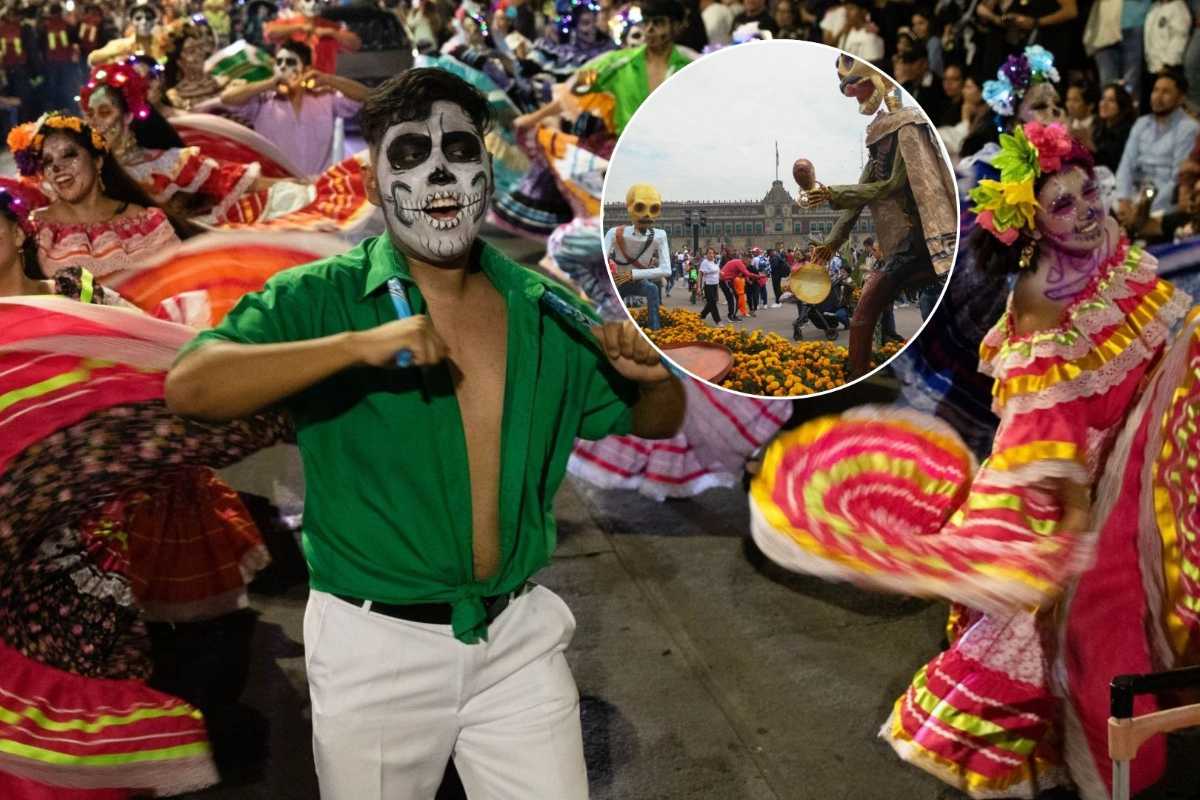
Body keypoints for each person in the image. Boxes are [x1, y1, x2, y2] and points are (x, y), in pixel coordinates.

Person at [165, 68, 685, 800]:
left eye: (459, 149)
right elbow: (192, 386)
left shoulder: (544, 308)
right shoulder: (324, 297)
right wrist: (353, 348)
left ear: (487, 167)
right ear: (374, 186)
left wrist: (655, 378)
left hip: (516, 641)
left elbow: (653, 425)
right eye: (408, 155)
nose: (439, 170)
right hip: (375, 648)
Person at [750, 120, 1199, 800]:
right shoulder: (1041, 299)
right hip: (1078, 484)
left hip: (1148, 448)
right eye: (1063, 206)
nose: (1086, 214)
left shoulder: (1111, 246)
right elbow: (1045, 426)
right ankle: (1115, 765)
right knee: (1090, 626)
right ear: (1030, 226)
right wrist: (1074, 512)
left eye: (1088, 194)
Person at [221, 40, 368, 177]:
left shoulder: (325, 98)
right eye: (278, 62)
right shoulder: (263, 101)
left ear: (306, 69)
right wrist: (269, 84)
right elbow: (227, 98)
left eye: (290, 62)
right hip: (277, 189)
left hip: (318, 189)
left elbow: (365, 95)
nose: (283, 66)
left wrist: (328, 79)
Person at [572, 0, 693, 135]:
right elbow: (578, 87)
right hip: (628, 150)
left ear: (676, 26)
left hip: (672, 148)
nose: (649, 29)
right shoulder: (619, 62)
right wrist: (598, 76)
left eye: (658, 23)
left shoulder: (688, 67)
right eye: (646, 22)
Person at [1115, 68, 1200, 222]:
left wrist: (1141, 208)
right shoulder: (1142, 123)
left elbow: (1176, 179)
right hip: (1135, 193)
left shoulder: (1188, 128)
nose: (1157, 97)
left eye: (1166, 92)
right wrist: (1123, 200)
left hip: (1165, 199)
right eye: (1155, 90)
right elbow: (1126, 165)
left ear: (1180, 98)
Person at [605, 182, 672, 330]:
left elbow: (667, 269)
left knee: (652, 290)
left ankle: (655, 330)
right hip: (617, 282)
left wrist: (632, 274)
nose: (647, 214)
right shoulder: (614, 233)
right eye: (640, 207)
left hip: (638, 282)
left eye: (653, 209)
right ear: (629, 208)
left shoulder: (660, 236)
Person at [264, 0, 361, 75]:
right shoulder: (286, 22)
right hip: (292, 84)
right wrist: (299, 27)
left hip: (322, 86)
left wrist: (331, 32)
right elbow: (270, 32)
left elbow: (355, 45)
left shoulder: (330, 25)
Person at [1091, 81, 1137, 172]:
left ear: (1122, 106)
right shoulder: (1098, 127)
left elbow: (1114, 165)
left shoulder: (1128, 132)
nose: (1104, 104)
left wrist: (1091, 146)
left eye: (1111, 100)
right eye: (1103, 99)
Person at [697, 245, 721, 320]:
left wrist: (717, 290)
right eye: (709, 253)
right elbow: (700, 275)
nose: (711, 255)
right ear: (706, 254)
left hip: (715, 285)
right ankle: (718, 321)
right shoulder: (705, 262)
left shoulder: (714, 262)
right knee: (712, 303)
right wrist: (699, 287)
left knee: (711, 303)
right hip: (708, 285)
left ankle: (701, 315)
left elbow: (717, 274)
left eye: (712, 253)